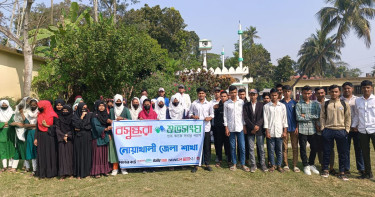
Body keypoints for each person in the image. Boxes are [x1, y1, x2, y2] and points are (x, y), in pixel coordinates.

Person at [320, 85, 351, 181]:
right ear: (329, 93)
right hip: (328, 130)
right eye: (332, 91)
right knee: (327, 151)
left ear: (339, 92)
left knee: (342, 152)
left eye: (336, 91)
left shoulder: (344, 104)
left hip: (341, 130)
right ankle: (325, 169)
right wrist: (323, 128)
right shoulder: (325, 104)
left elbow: (348, 117)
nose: (334, 93)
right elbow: (322, 117)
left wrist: (347, 130)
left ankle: (342, 171)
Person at [353, 80, 375, 179]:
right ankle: (368, 173)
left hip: (374, 129)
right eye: (364, 87)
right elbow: (357, 115)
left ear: (372, 88)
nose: (366, 89)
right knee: (365, 152)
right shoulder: (358, 101)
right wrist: (354, 125)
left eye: (368, 87)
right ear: (361, 88)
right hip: (362, 130)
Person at [224, 85, 249, 172]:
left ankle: (242, 164)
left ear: (236, 92)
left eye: (235, 92)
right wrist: (226, 128)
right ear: (229, 93)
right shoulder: (226, 103)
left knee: (242, 146)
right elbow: (225, 116)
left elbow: (243, 115)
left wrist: (244, 126)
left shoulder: (241, 102)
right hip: (231, 127)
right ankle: (234, 163)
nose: (233, 94)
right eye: (232, 93)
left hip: (240, 127)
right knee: (232, 146)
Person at [296, 86, 320, 175]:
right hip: (302, 130)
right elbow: (298, 117)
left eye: (309, 93)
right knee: (303, 148)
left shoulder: (315, 104)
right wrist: (310, 116)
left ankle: (311, 163)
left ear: (311, 93)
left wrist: (304, 116)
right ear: (302, 93)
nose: (307, 95)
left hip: (312, 129)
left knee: (314, 147)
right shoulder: (298, 104)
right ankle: (305, 165)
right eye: (305, 93)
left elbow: (317, 116)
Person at [341, 82, 364, 175]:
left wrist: (355, 125)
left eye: (348, 88)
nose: (347, 90)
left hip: (357, 128)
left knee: (359, 149)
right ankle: (346, 168)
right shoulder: (340, 100)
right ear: (342, 89)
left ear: (352, 89)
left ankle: (361, 168)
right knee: (345, 149)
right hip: (344, 128)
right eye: (345, 88)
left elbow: (359, 114)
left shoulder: (357, 100)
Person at [190, 87, 214, 173]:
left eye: (202, 93)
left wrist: (209, 117)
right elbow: (190, 113)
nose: (201, 95)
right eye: (200, 93)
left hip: (206, 127)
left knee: (207, 146)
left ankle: (207, 164)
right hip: (197, 128)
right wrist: (193, 116)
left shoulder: (209, 104)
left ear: (205, 94)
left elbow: (212, 114)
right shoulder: (194, 103)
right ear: (198, 94)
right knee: (196, 146)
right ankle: (196, 164)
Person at [264, 88, 288, 173]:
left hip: (279, 131)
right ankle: (273, 165)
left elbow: (284, 119)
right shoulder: (266, 106)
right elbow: (266, 120)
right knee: (270, 150)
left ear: (278, 96)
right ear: (270, 96)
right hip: (270, 131)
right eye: (272, 95)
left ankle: (279, 165)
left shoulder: (282, 106)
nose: (274, 97)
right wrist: (267, 131)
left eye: (275, 95)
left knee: (279, 150)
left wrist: (285, 131)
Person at [243, 89, 267, 172]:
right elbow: (246, 118)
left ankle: (262, 163)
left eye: (254, 94)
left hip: (259, 130)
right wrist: (253, 127)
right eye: (251, 94)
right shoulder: (246, 105)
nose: (253, 96)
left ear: (257, 95)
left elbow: (263, 117)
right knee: (251, 148)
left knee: (261, 147)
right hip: (250, 130)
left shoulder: (261, 105)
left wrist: (257, 126)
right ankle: (253, 164)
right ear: (249, 95)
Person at [34, 100, 58, 178]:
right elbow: (37, 128)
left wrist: (48, 126)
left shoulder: (53, 115)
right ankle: (42, 172)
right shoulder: (39, 115)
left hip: (50, 137)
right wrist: (36, 138)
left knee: (50, 153)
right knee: (42, 154)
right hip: (41, 137)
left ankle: (51, 172)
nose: (39, 108)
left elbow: (57, 127)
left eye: (41, 107)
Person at [109, 94, 132, 175]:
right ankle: (115, 169)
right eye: (117, 101)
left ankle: (123, 168)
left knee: (123, 150)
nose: (118, 102)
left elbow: (130, 120)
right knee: (114, 151)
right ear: (114, 101)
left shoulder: (126, 110)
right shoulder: (112, 110)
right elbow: (109, 122)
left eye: (119, 101)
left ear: (122, 101)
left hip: (124, 135)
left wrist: (122, 118)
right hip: (114, 134)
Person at [314, 87, 335, 174]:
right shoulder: (313, 103)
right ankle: (323, 166)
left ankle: (331, 167)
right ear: (315, 94)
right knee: (320, 148)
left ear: (325, 93)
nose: (320, 94)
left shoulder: (329, 102)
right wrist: (316, 125)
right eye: (318, 93)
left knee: (330, 148)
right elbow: (313, 115)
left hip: (329, 128)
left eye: (322, 93)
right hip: (318, 128)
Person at [280, 85, 299, 172]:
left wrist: (297, 127)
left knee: (295, 147)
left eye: (288, 91)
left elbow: (298, 116)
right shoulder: (280, 103)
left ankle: (295, 165)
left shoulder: (295, 103)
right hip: (284, 129)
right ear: (283, 92)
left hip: (293, 128)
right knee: (284, 147)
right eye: (285, 91)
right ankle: (286, 164)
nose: (287, 93)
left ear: (290, 92)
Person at [91, 100, 111, 178]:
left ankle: (105, 170)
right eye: (100, 106)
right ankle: (97, 172)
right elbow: (96, 127)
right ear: (96, 107)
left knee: (104, 154)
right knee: (97, 155)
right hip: (97, 137)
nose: (102, 107)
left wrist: (108, 133)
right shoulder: (94, 116)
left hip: (104, 136)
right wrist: (105, 129)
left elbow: (107, 123)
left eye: (103, 105)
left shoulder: (106, 115)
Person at [72, 102, 92, 179]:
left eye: (86, 107)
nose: (84, 109)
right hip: (78, 138)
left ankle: (87, 172)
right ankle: (79, 173)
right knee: (79, 154)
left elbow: (89, 126)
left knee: (86, 154)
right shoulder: (75, 116)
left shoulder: (89, 115)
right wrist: (81, 118)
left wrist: (81, 127)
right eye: (83, 107)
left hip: (87, 137)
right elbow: (76, 126)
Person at [10, 98, 29, 172]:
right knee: (17, 150)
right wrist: (15, 123)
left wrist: (18, 123)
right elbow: (10, 122)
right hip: (16, 133)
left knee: (23, 150)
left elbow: (27, 123)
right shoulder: (15, 113)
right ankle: (14, 167)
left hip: (24, 133)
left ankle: (27, 167)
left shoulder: (28, 112)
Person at [55, 104, 74, 179]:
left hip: (70, 140)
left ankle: (70, 172)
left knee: (70, 156)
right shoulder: (59, 119)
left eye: (66, 110)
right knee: (62, 156)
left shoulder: (72, 119)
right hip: (61, 139)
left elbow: (73, 129)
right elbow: (57, 128)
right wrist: (63, 136)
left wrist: (67, 135)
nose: (65, 112)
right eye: (63, 110)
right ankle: (63, 173)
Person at [213, 91, 231, 167]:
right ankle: (219, 159)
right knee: (219, 144)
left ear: (227, 97)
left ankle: (229, 159)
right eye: (222, 96)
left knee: (228, 144)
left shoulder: (229, 105)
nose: (223, 98)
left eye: (225, 96)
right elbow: (215, 118)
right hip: (219, 128)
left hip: (227, 128)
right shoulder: (217, 106)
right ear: (220, 97)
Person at [0, 100, 16, 173]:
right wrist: (4, 124)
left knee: (11, 148)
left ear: (8, 105)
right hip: (2, 133)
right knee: (2, 149)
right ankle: (4, 166)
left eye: (5, 105)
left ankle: (10, 165)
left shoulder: (12, 113)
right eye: (2, 105)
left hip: (11, 133)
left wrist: (4, 123)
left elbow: (14, 122)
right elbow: (8, 123)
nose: (4, 106)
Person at [24, 99, 38, 174]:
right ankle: (31, 168)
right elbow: (25, 125)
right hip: (29, 133)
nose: (33, 106)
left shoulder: (39, 112)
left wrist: (32, 125)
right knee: (30, 149)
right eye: (31, 105)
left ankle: (37, 168)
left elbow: (40, 124)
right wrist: (34, 125)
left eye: (34, 105)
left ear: (37, 105)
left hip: (37, 133)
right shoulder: (27, 113)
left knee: (36, 150)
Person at [211, 87, 222, 164]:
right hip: (214, 124)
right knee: (217, 141)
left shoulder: (224, 101)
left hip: (223, 124)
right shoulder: (211, 102)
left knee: (225, 141)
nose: (217, 93)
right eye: (215, 91)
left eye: (218, 91)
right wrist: (213, 107)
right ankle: (218, 155)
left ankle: (228, 155)